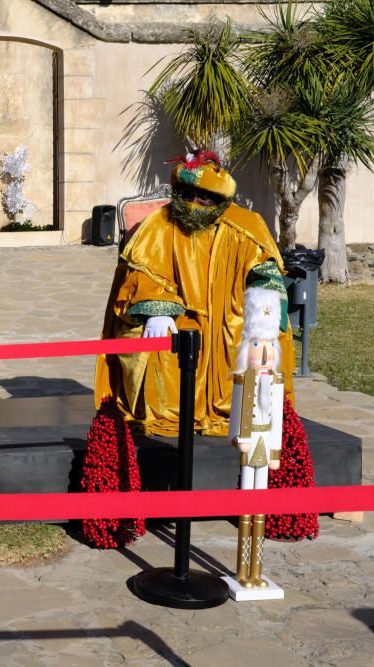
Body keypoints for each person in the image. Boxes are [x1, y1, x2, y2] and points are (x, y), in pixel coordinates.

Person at [94, 149, 294, 437]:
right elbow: (138, 273)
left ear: (218, 200)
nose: (191, 203)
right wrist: (158, 310)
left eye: (201, 196)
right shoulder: (159, 224)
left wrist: (263, 315)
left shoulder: (245, 227)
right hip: (178, 321)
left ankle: (245, 413)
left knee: (259, 342)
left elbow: (266, 272)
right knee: (157, 348)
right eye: (186, 194)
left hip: (229, 321)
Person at [228, 287, 283, 592]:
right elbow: (235, 416)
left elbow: (278, 420)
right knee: (246, 505)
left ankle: (257, 570)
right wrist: (237, 438)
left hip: (265, 446)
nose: (264, 353)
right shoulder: (242, 380)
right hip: (249, 446)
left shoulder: (275, 383)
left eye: (270, 345)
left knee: (261, 505)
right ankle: (241, 570)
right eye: (258, 344)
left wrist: (275, 451)